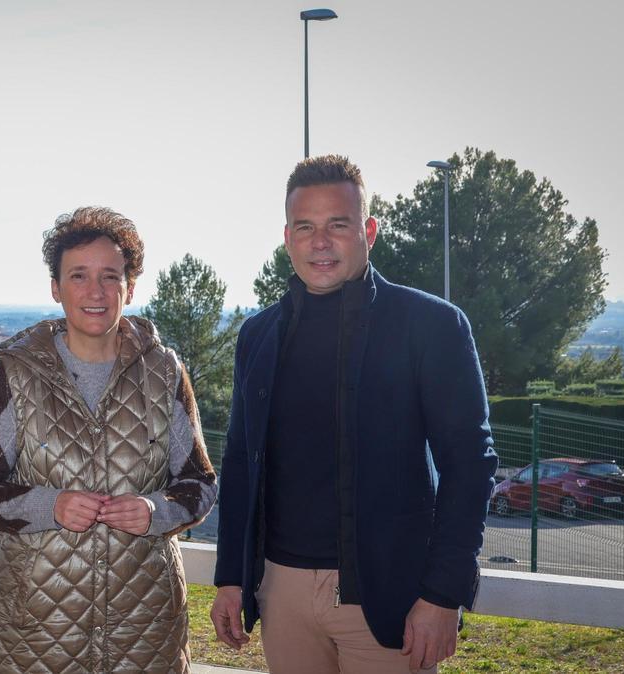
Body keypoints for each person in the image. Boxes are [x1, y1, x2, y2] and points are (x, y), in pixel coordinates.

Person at [210, 155, 498, 673]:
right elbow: (238, 461)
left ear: (368, 231)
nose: (320, 242)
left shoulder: (431, 325)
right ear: (287, 238)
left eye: (338, 225)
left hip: (390, 600)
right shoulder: (258, 335)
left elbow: (470, 466)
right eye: (305, 227)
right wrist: (232, 576)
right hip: (281, 592)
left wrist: (443, 594)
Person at [0, 207, 218, 673]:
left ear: (129, 288)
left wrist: (154, 511)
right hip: (35, 635)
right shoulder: (18, 374)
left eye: (110, 276)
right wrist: (50, 506)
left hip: (145, 633)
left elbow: (199, 484)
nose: (95, 291)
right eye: (78, 275)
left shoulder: (165, 373)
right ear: (56, 288)